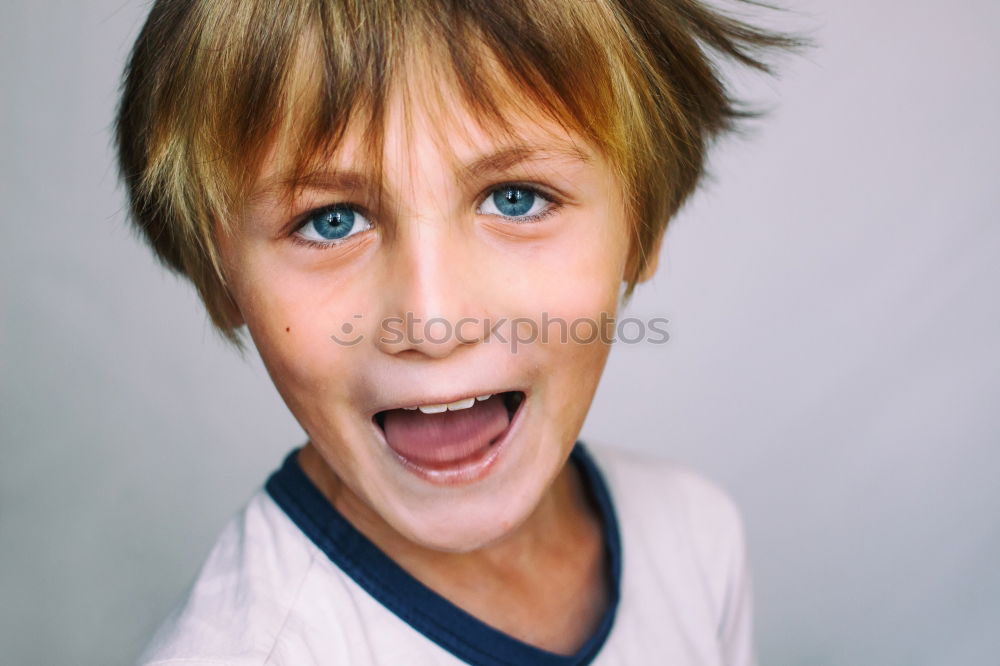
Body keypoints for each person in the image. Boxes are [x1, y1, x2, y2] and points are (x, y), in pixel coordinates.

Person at [117, 1, 796, 663]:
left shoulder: (696, 537)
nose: (434, 322)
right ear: (220, 276)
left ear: (643, 228)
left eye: (516, 198)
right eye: (332, 220)